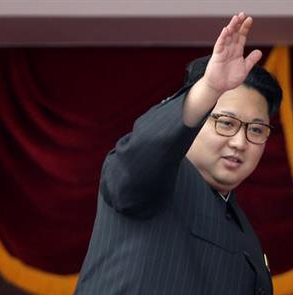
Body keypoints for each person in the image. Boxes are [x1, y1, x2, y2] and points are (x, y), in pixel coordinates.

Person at [75, 12, 282, 295]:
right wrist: (208, 89)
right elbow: (139, 156)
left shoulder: (241, 226)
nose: (239, 142)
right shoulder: (158, 179)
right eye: (226, 123)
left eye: (256, 130)